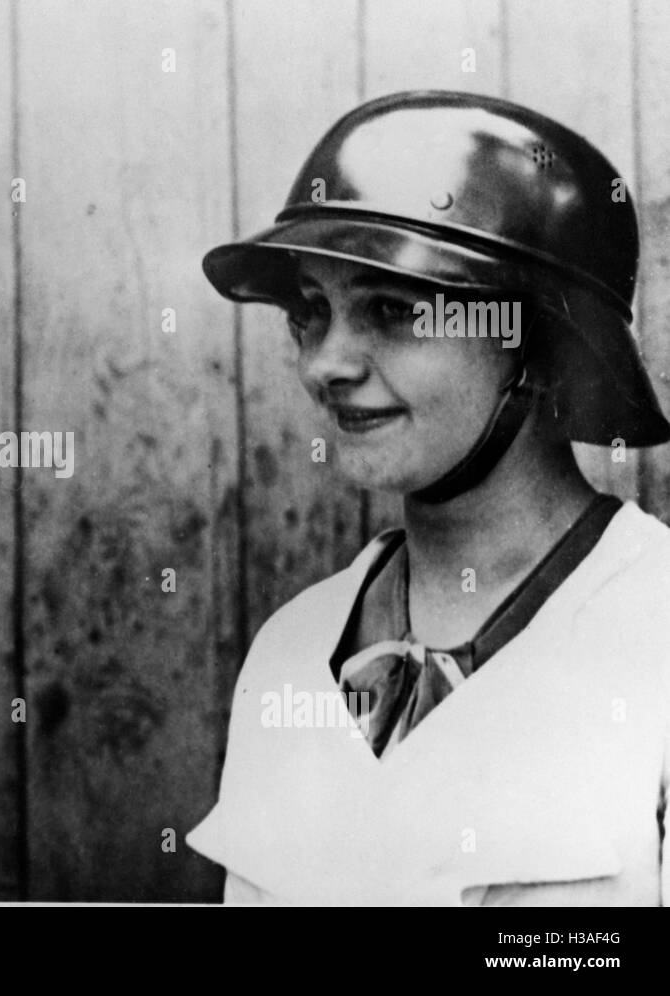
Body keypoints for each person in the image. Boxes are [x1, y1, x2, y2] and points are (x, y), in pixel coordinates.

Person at [188, 90, 670, 905]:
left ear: (541, 343)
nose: (325, 364)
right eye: (313, 311)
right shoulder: (292, 649)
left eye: (392, 310)